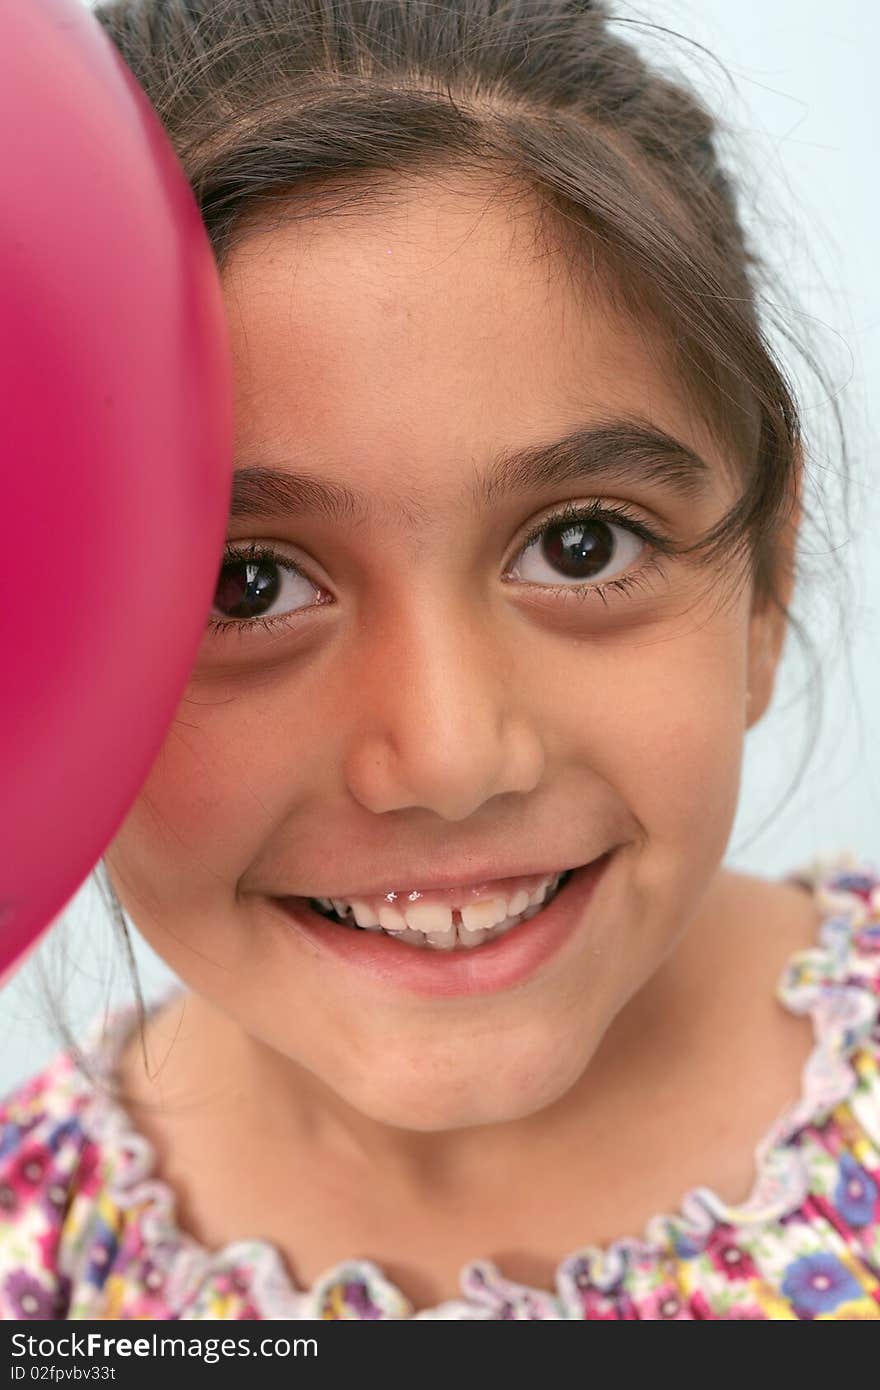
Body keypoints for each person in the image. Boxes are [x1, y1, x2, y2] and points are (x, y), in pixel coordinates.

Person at [1, 0, 878, 1321]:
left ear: (764, 577)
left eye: (582, 545)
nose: (452, 757)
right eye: (249, 584)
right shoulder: (41, 1265)